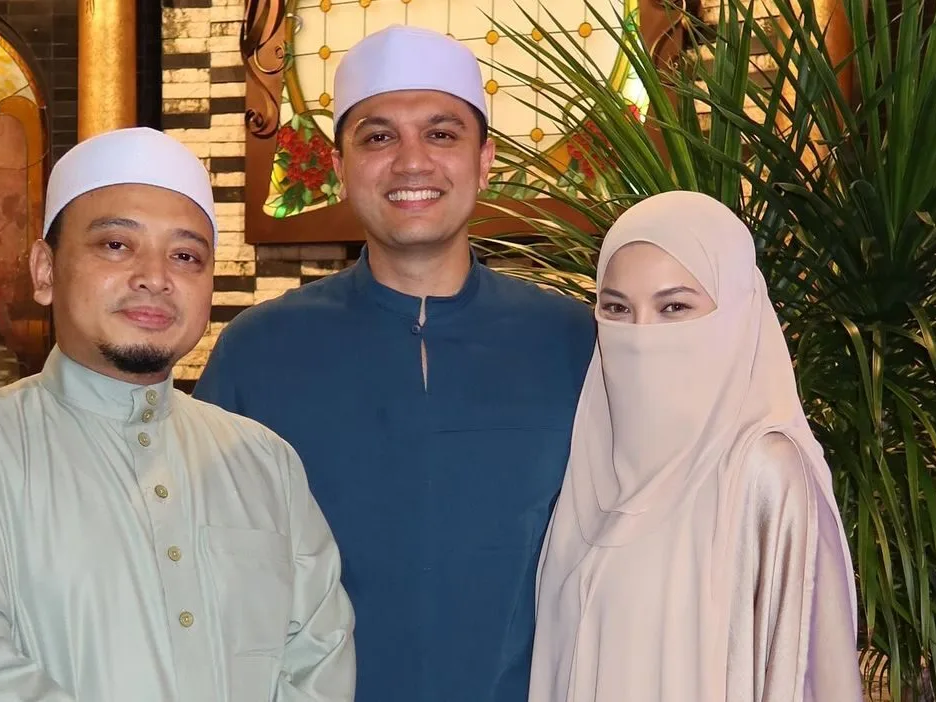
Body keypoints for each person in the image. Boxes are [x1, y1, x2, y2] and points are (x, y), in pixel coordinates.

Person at [0, 127, 356, 702]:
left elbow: (318, 660)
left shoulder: (265, 462)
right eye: (115, 245)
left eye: (185, 256)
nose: (155, 277)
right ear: (45, 270)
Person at [193, 25, 596, 702]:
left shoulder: (574, 342)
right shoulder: (259, 349)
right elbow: (202, 568)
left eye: (441, 134)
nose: (412, 162)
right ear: (340, 165)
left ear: (485, 160)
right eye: (378, 137)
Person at [528, 191, 862, 702]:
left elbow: (806, 677)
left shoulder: (763, 473)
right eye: (617, 308)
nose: (641, 335)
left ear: (736, 312)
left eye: (674, 307)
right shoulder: (593, 475)